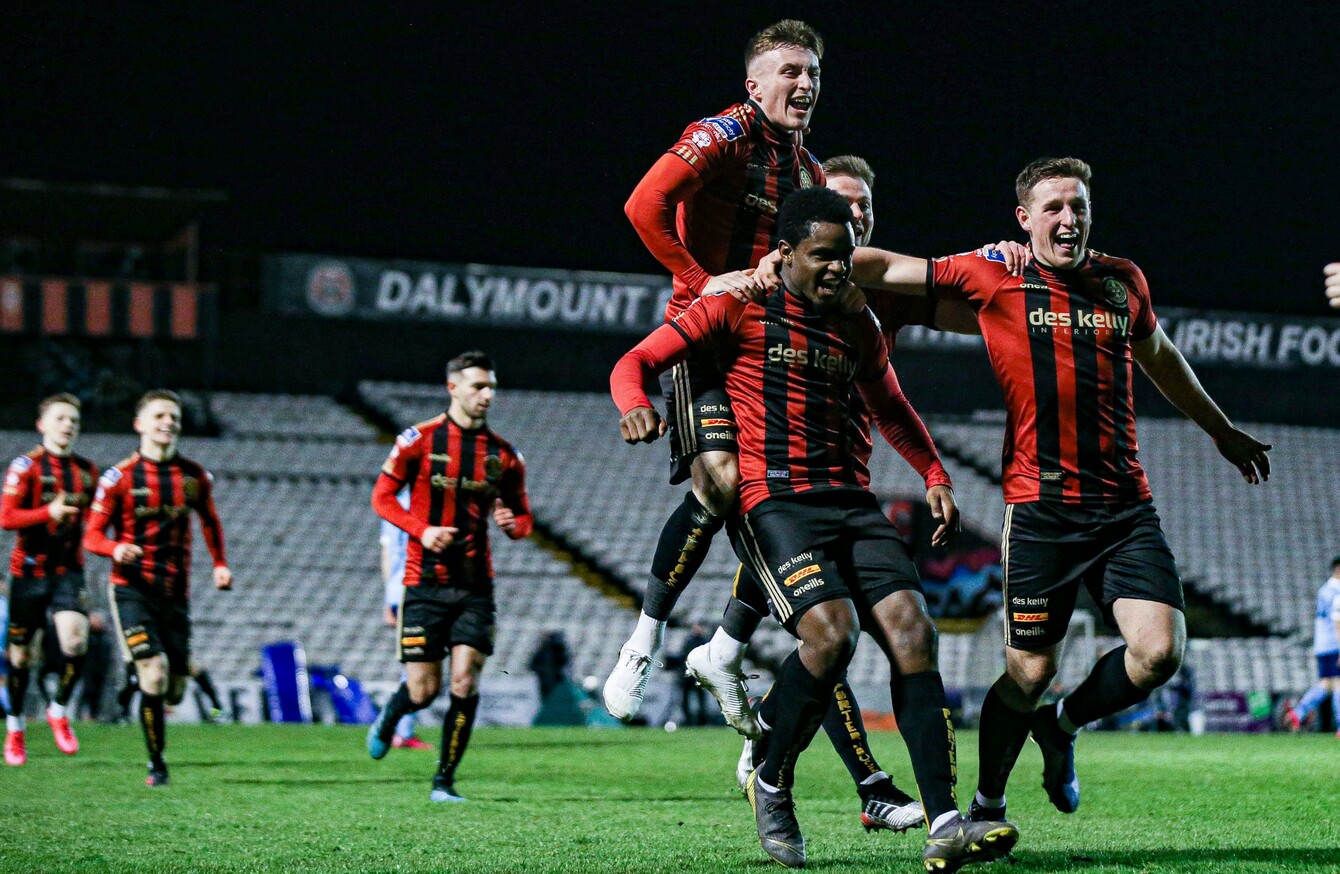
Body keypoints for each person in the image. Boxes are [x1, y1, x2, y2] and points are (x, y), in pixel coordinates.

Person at [848, 156, 1272, 821]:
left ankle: (1064, 724)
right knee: (1029, 673)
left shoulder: (1121, 280)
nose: (1068, 219)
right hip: (1042, 510)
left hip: (1125, 509)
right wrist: (792, 260)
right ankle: (988, 800)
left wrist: (1221, 432)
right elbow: (880, 268)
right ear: (1024, 218)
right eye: (1053, 208)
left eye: (1078, 206)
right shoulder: (995, 272)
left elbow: (1160, 357)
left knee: (1160, 652)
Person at [611, 186, 1017, 870]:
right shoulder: (738, 303)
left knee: (915, 632)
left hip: (852, 501)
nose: (838, 269)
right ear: (785, 254)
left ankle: (947, 821)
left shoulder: (856, 321)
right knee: (831, 636)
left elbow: (891, 405)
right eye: (824, 257)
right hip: (774, 503)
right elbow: (636, 362)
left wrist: (935, 473)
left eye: (846, 255)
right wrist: (634, 406)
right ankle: (771, 777)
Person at [603, 20, 830, 726]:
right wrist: (703, 281)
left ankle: (726, 648)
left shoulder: (810, 173)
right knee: (722, 479)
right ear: (754, 84)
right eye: (789, 70)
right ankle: (644, 642)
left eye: (813, 72)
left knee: (784, 498)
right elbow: (643, 205)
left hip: (770, 348)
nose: (804, 83)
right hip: (701, 338)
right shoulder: (722, 134)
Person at [367, 350, 534, 803]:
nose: (487, 395)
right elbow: (382, 498)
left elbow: (523, 519)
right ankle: (392, 715)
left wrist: (512, 525)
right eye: (478, 386)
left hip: (476, 587)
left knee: (465, 681)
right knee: (424, 690)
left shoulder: (503, 456)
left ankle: (444, 780)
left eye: (492, 386)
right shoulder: (418, 440)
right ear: (453, 387)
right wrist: (422, 531)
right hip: (423, 585)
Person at [83, 389, 233, 786]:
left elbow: (210, 522)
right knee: (154, 671)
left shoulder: (194, 476)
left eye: (174, 417)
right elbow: (92, 536)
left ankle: (138, 679)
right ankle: (157, 765)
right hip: (131, 589)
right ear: (140, 424)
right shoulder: (119, 477)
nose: (168, 422)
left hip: (175, 594)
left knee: (174, 692)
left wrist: (220, 564)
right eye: (160, 416)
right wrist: (117, 548)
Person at [2, 393, 99, 765]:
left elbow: (95, 520)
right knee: (22, 656)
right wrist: (48, 511)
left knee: (76, 641)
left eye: (74, 419)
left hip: (67, 573)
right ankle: (15, 729)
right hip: (27, 573)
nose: (68, 425)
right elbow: (6, 518)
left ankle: (58, 710)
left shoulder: (87, 471)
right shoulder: (25, 466)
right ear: (42, 424)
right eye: (60, 418)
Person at [380, 488, 432, 750]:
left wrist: (388, 593)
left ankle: (399, 728)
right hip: (419, 588)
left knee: (414, 661)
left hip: (398, 590)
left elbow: (387, 554)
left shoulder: (393, 502)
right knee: (419, 662)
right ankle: (400, 729)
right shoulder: (430, 498)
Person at [1286, 555, 1340, 735]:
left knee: (1328, 684)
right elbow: (1337, 620)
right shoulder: (1337, 591)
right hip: (1334, 643)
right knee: (1338, 684)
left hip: (1322, 643)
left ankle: (1298, 712)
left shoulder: (1324, 590)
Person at [529, 630, 571, 704]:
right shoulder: (553, 650)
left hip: (549, 680)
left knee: (550, 699)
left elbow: (532, 665)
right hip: (550, 680)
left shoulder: (549, 651)